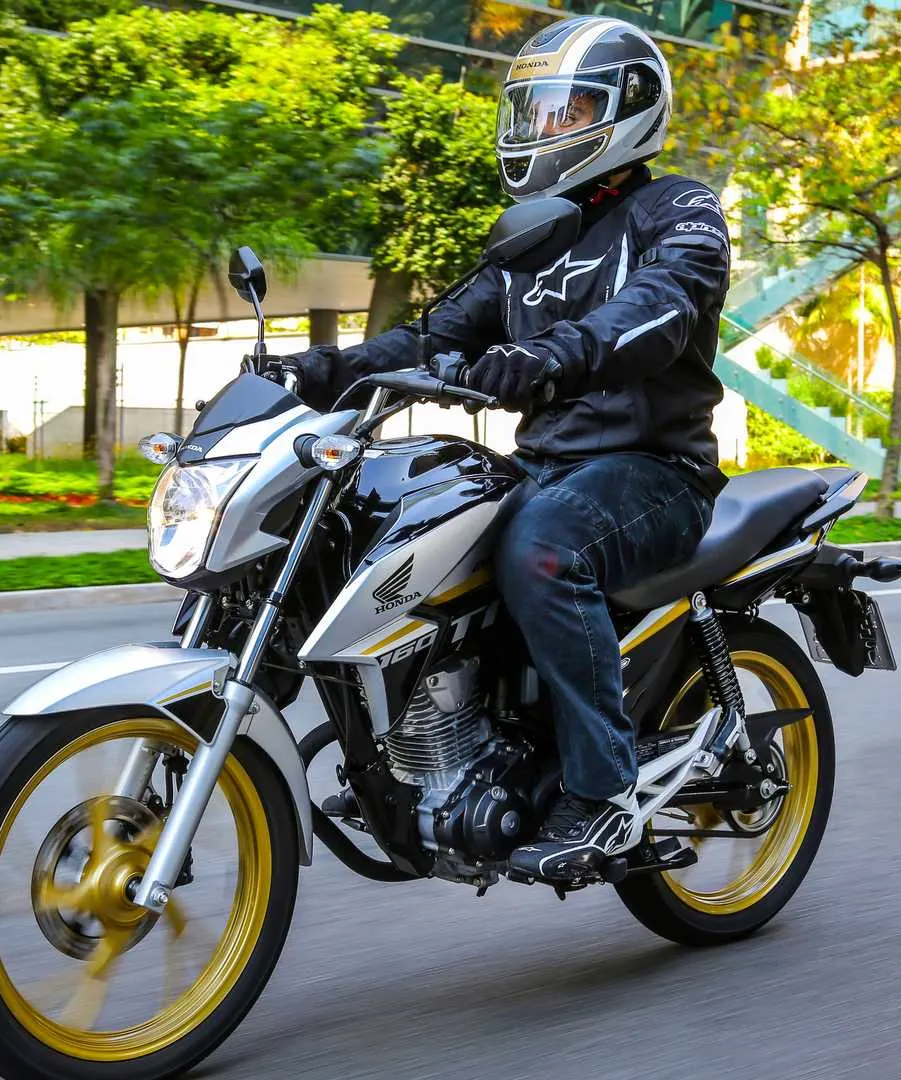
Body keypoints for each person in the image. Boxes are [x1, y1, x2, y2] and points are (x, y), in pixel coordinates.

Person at [280, 16, 732, 881]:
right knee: (401, 529)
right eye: (533, 115)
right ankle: (434, 758)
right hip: (552, 468)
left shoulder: (679, 207)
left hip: (654, 471)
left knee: (543, 550)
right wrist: (321, 369)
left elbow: (660, 309)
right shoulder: (531, 236)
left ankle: (604, 796)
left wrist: (553, 355)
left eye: (566, 114)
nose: (543, 133)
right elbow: (430, 337)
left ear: (630, 110)